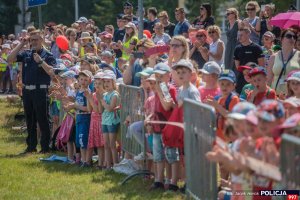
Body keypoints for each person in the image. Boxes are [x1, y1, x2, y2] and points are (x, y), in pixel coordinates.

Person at [7, 29, 57, 153]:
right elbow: (10, 59)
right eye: (31, 39)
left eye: (36, 39)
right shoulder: (26, 54)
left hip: (40, 90)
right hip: (27, 91)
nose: (33, 42)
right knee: (30, 120)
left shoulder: (48, 55)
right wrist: (21, 44)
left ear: (42, 40)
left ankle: (45, 147)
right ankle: (31, 146)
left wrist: (40, 61)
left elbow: (52, 72)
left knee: (43, 119)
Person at [150, 62, 177, 190]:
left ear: (168, 76)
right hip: (157, 127)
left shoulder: (168, 88)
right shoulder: (159, 89)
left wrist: (160, 91)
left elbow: (167, 106)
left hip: (167, 127)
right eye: (156, 76)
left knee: (171, 155)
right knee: (158, 156)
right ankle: (159, 180)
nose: (158, 78)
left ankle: (172, 182)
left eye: (161, 75)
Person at [206, 70, 240, 141]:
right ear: (218, 84)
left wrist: (216, 105)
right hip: (217, 136)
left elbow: (230, 116)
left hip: (228, 137)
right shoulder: (217, 98)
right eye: (222, 84)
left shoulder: (234, 99)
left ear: (234, 86)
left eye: (228, 84)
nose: (225, 86)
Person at [268, 29, 300, 96]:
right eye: (289, 36)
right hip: (276, 95)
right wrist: (267, 95)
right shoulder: (273, 57)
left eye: (294, 37)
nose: (292, 38)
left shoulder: (299, 55)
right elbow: (269, 80)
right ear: (281, 39)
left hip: (294, 97)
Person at [234, 27, 264, 94]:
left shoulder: (257, 48)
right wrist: (246, 75)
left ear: (248, 34)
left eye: (241, 35)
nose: (239, 37)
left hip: (254, 79)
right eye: (239, 35)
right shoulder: (237, 48)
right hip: (242, 78)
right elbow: (237, 67)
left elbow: (261, 66)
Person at [101, 70, 120, 169]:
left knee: (112, 144)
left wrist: (103, 103)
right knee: (106, 144)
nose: (106, 83)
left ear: (113, 82)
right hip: (105, 120)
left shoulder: (115, 94)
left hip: (112, 121)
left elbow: (110, 108)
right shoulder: (105, 94)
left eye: (108, 81)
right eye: (105, 81)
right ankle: (108, 165)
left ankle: (116, 165)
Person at [85, 72, 105, 168]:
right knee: (92, 143)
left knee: (101, 145)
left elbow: (99, 110)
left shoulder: (103, 95)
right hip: (93, 122)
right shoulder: (93, 94)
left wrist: (91, 99)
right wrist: (89, 98)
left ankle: (101, 163)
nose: (97, 86)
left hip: (100, 121)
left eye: (99, 84)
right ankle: (87, 162)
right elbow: (89, 109)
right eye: (95, 84)